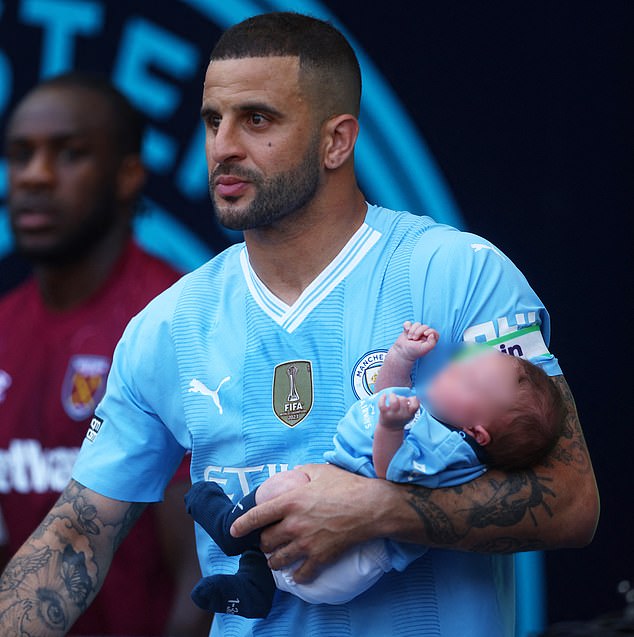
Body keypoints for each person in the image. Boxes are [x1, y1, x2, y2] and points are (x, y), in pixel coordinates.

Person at [0, 13, 598, 637]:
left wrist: (381, 510)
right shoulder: (167, 323)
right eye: (212, 120)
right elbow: (77, 535)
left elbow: (572, 500)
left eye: (257, 120)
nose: (223, 146)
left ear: (336, 141)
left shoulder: (459, 271)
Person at [0, 73, 209, 636]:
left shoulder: (175, 319)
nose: (35, 176)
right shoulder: (3, 327)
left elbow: (206, 574)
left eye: (69, 154)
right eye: (19, 156)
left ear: (128, 175)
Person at [184, 321, 565, 617]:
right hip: (333, 552)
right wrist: (401, 356)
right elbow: (385, 397)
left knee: (289, 484)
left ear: (477, 432)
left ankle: (229, 526)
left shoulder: (449, 451)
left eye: (467, 380)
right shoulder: (436, 420)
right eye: (462, 364)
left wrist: (390, 427)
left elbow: (391, 476)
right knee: (287, 509)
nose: (453, 369)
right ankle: (254, 589)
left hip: (351, 559)